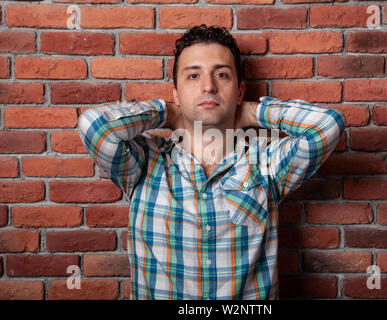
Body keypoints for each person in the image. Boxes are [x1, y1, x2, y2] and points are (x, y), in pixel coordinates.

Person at [78, 24, 346, 300]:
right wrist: (167, 114)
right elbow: (94, 127)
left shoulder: (268, 163)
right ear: (176, 94)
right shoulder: (144, 162)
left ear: (240, 92)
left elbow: (327, 126)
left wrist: (252, 112)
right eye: (193, 76)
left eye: (222, 74)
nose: (209, 86)